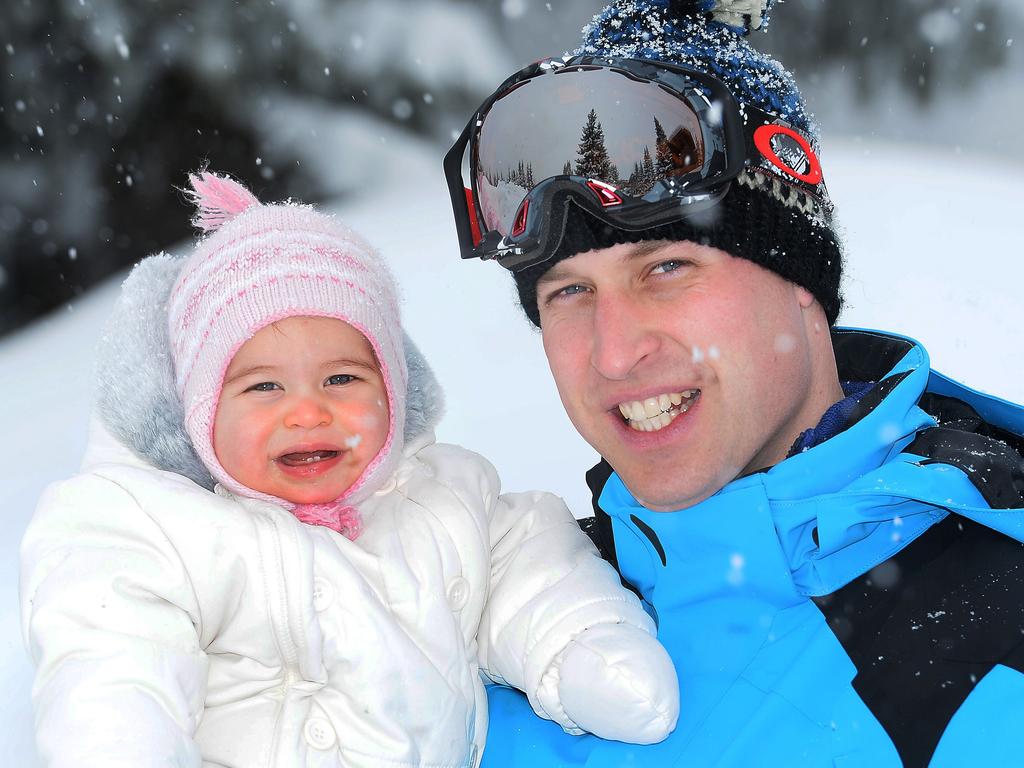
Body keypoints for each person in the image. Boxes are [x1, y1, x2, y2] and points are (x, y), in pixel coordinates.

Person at [445, 1, 1024, 766]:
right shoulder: (496, 629)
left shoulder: (1001, 616)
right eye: (568, 294)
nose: (613, 356)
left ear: (800, 285)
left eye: (666, 269)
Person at [19, 171, 680, 767]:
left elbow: (533, 571)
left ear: (392, 390)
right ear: (201, 413)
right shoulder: (159, 528)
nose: (308, 413)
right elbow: (114, 669)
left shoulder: (444, 499)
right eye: (263, 388)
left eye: (341, 377)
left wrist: (584, 647)